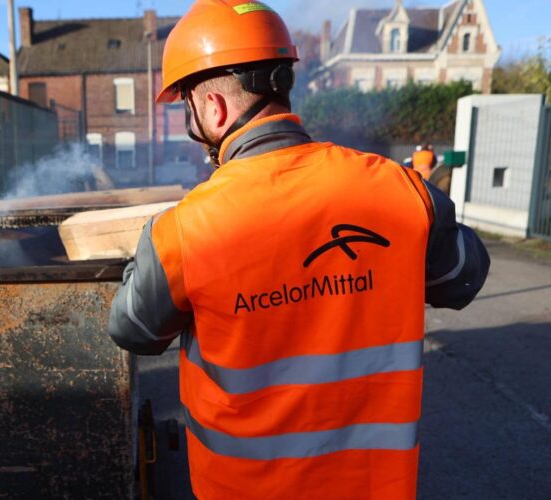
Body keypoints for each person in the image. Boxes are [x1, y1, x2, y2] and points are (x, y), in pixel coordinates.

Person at [107, 1, 490, 498]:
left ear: (214, 109)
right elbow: (464, 277)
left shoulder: (184, 230)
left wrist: (145, 256)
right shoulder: (400, 192)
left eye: (188, 107)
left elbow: (130, 329)